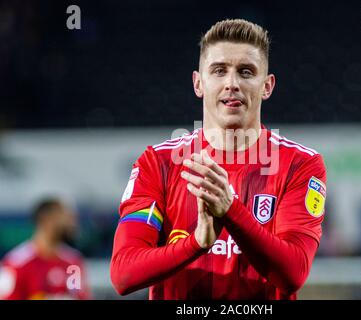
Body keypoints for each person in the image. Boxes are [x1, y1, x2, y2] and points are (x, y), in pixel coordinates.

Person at [110, 19, 327, 300]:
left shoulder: (300, 164)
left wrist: (230, 211)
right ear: (198, 83)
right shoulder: (158, 163)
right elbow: (123, 275)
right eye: (219, 71)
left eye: (246, 72)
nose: (232, 83)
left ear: (267, 86)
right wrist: (197, 243)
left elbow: (293, 274)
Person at [0, 198, 90, 300]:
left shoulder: (73, 262)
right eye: (67, 218)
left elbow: (79, 296)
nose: (72, 224)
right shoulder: (16, 264)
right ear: (47, 220)